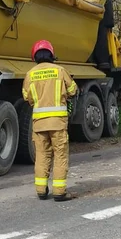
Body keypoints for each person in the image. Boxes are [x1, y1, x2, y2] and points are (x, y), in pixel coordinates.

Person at [22, 40, 77, 201]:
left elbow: (27, 97)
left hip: (39, 124)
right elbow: (73, 90)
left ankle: (41, 190)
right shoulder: (60, 71)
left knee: (42, 155)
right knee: (60, 155)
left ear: (35, 56)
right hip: (58, 123)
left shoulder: (30, 74)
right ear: (51, 54)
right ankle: (59, 192)